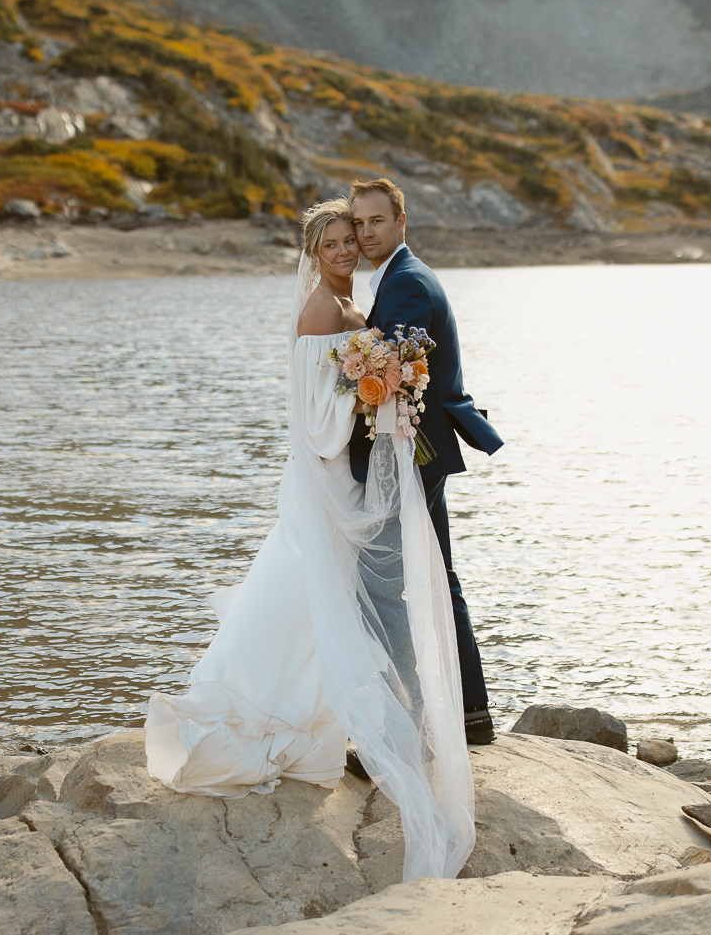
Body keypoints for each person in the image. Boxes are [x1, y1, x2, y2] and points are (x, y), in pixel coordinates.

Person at [144, 198, 475, 882]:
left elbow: (348, 387)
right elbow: (315, 416)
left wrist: (384, 382)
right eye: (331, 241)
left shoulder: (350, 304)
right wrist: (374, 393)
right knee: (306, 587)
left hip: (339, 477)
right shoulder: (323, 309)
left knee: (321, 595)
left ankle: (329, 716)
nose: (346, 249)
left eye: (352, 237)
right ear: (312, 250)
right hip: (324, 477)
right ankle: (259, 703)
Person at [349, 177, 503, 746]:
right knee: (437, 578)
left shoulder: (408, 284)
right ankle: (469, 715)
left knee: (393, 582)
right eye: (359, 224)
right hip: (420, 448)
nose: (366, 234)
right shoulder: (400, 277)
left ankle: (412, 719)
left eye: (376, 223)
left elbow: (395, 380)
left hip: (413, 452)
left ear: (400, 223)